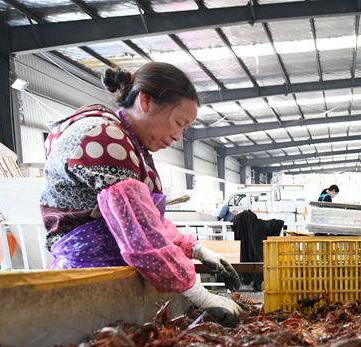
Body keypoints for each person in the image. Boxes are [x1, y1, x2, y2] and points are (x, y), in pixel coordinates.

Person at [39, 63, 241, 326]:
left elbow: (147, 219)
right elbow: (140, 235)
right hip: (89, 280)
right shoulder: (104, 137)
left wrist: (197, 250)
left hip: (111, 276)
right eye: (178, 123)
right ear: (145, 101)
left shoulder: (130, 143)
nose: (178, 136)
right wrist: (199, 294)